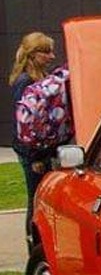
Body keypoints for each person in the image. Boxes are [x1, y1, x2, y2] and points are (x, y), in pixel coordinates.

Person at [10, 32, 59, 246]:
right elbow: (27, 123)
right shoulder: (26, 82)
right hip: (32, 152)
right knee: (36, 198)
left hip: (40, 149)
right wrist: (35, 156)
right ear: (33, 54)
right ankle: (35, 244)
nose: (51, 56)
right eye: (46, 52)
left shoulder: (39, 78)